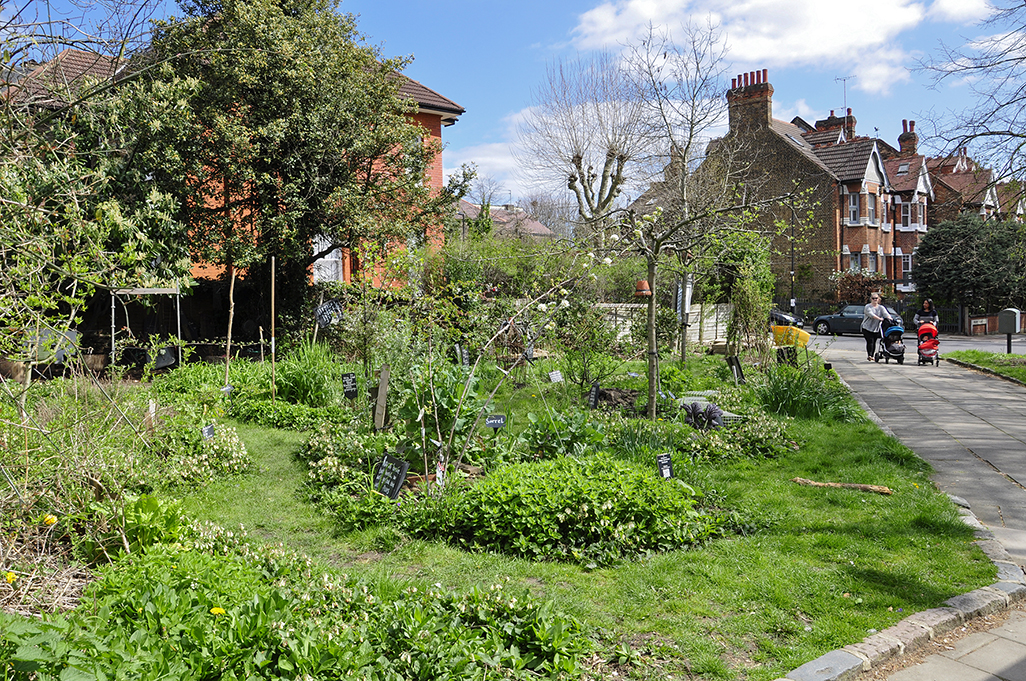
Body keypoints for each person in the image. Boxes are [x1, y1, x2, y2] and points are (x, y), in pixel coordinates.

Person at [861, 293, 892, 361]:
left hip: (876, 328)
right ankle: (870, 355)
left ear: (879, 299)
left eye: (876, 298)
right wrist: (879, 318)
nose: (875, 300)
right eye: (873, 298)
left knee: (874, 341)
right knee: (870, 341)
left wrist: (890, 318)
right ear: (871, 299)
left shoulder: (881, 307)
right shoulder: (868, 306)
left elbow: (886, 314)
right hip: (867, 327)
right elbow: (871, 314)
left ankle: (871, 355)